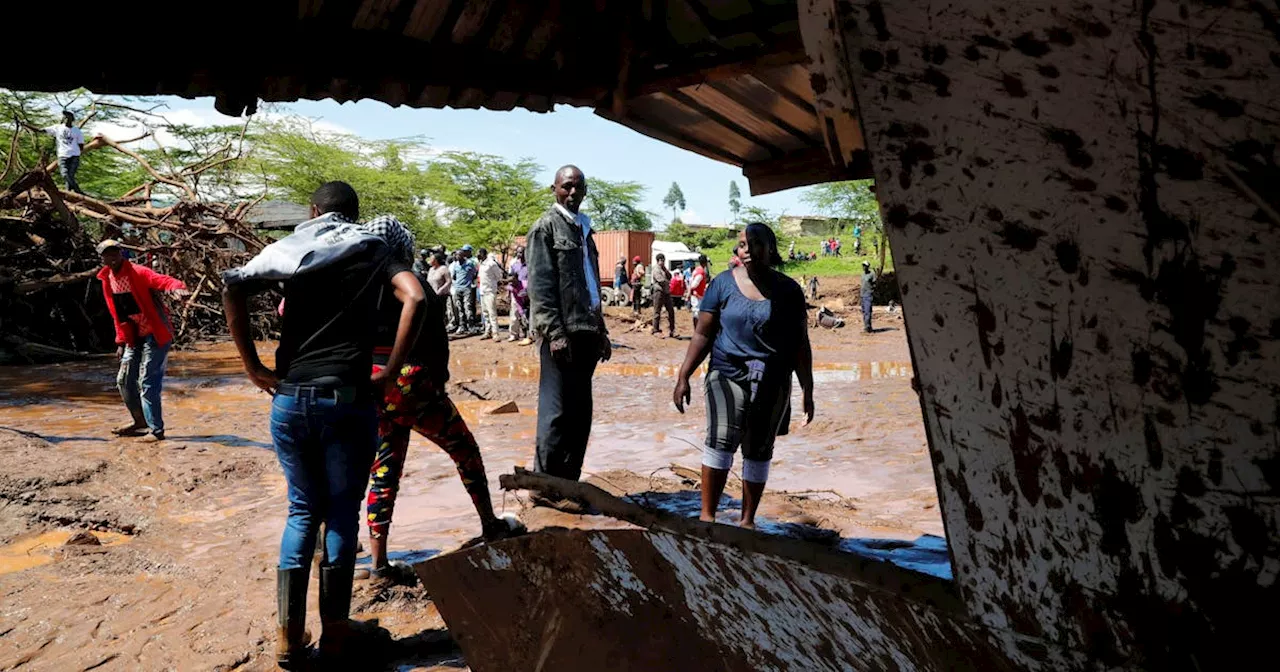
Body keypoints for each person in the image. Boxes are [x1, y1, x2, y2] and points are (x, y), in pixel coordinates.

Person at [221, 181, 426, 667]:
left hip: (289, 399)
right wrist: (389, 373)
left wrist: (252, 367)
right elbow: (415, 297)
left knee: (300, 511)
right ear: (354, 215)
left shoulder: (289, 250)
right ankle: (334, 633)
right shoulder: (371, 249)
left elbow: (232, 285)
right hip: (345, 400)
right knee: (339, 512)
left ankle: (289, 640)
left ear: (313, 211)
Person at [358, 217, 524, 588]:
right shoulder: (410, 283)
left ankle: (379, 561)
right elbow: (433, 341)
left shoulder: (360, 284)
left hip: (375, 386)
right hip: (413, 383)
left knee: (384, 471)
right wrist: (434, 382)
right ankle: (490, 523)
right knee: (464, 450)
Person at [672, 223, 814, 529]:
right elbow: (702, 335)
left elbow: (800, 344)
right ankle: (707, 518)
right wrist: (683, 376)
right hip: (727, 371)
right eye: (741, 244)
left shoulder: (789, 291)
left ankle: (747, 522)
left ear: (771, 248)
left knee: (759, 447)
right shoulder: (722, 284)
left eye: (754, 243)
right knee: (723, 436)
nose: (746, 249)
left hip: (773, 378)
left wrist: (808, 390)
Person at [527, 165, 611, 483]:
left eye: (578, 187)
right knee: (555, 413)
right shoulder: (545, 228)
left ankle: (569, 483)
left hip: (587, 332)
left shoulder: (585, 230)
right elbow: (541, 286)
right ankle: (544, 485)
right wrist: (555, 333)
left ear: (586, 190)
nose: (572, 192)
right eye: (566, 186)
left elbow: (591, 288)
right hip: (561, 336)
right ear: (555, 190)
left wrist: (602, 331)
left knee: (580, 413)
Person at [97, 239, 187, 442]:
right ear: (101, 257)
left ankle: (156, 430)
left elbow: (163, 280)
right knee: (124, 380)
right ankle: (139, 421)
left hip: (155, 333)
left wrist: (177, 287)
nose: (111, 257)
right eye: (106, 254)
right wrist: (120, 341)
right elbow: (117, 314)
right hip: (133, 336)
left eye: (114, 253)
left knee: (147, 380)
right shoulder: (107, 279)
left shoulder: (138, 272)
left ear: (121, 254)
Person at [30, 111, 86, 194]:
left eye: (68, 117)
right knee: (64, 174)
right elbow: (40, 130)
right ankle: (78, 191)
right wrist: (25, 125)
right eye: (65, 117)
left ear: (72, 119)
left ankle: (69, 193)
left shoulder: (77, 131)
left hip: (74, 156)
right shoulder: (57, 128)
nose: (66, 119)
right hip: (62, 155)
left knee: (70, 176)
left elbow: (81, 144)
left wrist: (77, 153)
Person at [450, 246, 479, 334]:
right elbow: (454, 276)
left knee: (468, 307)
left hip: (467, 289)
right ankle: (462, 326)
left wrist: (469, 280)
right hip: (457, 289)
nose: (457, 257)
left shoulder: (469, 263)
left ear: (463, 256)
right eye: (456, 255)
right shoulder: (455, 265)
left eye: (459, 255)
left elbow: (475, 273)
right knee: (459, 308)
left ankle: (471, 326)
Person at [476, 247, 504, 340]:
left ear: (483, 254)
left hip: (490, 291)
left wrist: (493, 285)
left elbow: (499, 276)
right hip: (482, 291)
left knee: (492, 313)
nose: (477, 255)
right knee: (485, 313)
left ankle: (495, 333)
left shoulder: (491, 264)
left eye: (478, 253)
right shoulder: (481, 264)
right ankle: (487, 331)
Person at [507, 246, 531, 344]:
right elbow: (511, 279)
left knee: (528, 314)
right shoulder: (514, 265)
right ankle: (514, 334)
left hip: (528, 292)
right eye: (518, 252)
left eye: (521, 252)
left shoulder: (530, 265)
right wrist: (509, 294)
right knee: (515, 314)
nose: (519, 254)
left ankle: (529, 335)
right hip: (516, 292)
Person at [650, 253, 675, 338]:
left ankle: (672, 330)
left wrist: (665, 270)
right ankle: (655, 330)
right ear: (658, 261)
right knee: (657, 311)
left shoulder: (663, 269)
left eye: (663, 260)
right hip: (659, 292)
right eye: (661, 260)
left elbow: (670, 276)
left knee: (671, 311)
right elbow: (660, 280)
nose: (663, 262)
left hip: (666, 292)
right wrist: (668, 282)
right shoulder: (655, 269)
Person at [687, 255, 709, 329]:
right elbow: (694, 285)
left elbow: (690, 281)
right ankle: (697, 329)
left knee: (697, 312)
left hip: (697, 294)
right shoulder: (701, 272)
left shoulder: (696, 269)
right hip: (697, 295)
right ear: (705, 263)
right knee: (697, 313)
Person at [861, 261, 877, 333]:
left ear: (868, 266)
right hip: (862, 295)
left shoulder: (872, 274)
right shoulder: (862, 274)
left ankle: (867, 328)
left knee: (868, 311)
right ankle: (867, 326)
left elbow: (875, 284)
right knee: (864, 311)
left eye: (865, 266)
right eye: (863, 265)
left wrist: (871, 291)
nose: (864, 267)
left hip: (868, 295)